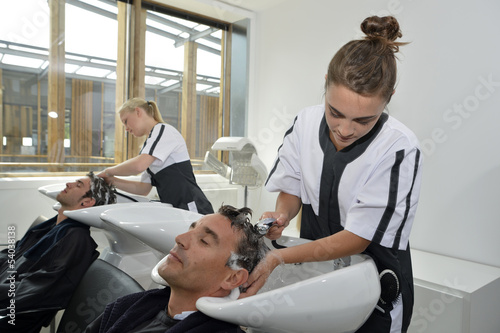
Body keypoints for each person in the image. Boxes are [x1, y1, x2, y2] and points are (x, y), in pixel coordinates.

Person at [240, 16, 423, 333]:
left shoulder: (398, 147)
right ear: (325, 84)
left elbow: (357, 238)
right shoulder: (305, 123)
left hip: (375, 284)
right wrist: (281, 215)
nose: (345, 129)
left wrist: (278, 258)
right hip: (317, 271)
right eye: (335, 112)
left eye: (363, 120)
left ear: (389, 98)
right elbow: (293, 188)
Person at [84, 204, 267, 333]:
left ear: (232, 279)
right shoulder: (126, 308)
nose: (180, 238)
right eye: (190, 230)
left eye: (204, 241)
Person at [0, 171, 117, 333]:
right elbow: (13, 254)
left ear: (87, 202)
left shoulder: (76, 239)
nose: (69, 184)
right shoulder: (50, 226)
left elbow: (37, 288)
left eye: (78, 185)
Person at [98, 98, 214, 215]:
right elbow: (143, 189)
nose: (126, 128)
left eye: (126, 121)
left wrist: (108, 171)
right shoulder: (150, 146)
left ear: (138, 112)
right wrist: (111, 180)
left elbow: (139, 165)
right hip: (178, 209)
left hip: (192, 207)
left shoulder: (163, 130)